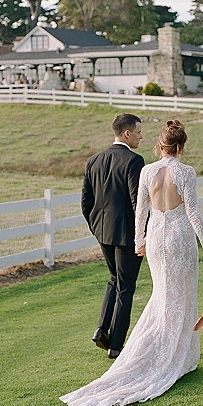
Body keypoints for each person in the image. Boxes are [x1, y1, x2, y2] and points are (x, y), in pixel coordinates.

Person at [61, 119, 203, 406]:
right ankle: (178, 355)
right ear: (181, 146)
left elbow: (141, 212)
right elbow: (194, 215)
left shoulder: (147, 170)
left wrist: (139, 241)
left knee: (162, 295)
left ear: (160, 145)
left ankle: (165, 349)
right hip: (178, 239)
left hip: (156, 239)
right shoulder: (185, 172)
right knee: (182, 296)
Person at [81, 113, 145, 360]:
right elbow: (137, 201)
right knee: (126, 287)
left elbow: (86, 202)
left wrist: (97, 227)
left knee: (114, 280)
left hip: (103, 232)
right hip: (127, 234)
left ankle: (101, 330)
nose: (141, 136)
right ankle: (116, 345)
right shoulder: (134, 161)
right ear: (127, 133)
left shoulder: (94, 160)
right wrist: (143, 235)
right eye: (138, 132)